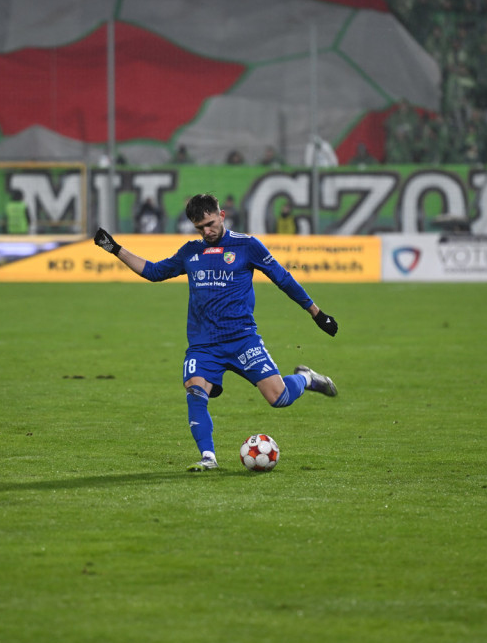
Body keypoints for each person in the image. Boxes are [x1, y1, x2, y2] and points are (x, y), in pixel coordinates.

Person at [93, 193, 339, 471]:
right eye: (200, 228)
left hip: (242, 340)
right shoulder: (190, 252)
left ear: (221, 216)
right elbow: (153, 271)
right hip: (204, 345)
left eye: (210, 224)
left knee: (278, 398)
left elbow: (283, 279)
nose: (206, 231)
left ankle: (305, 379)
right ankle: (208, 456)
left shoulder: (247, 246)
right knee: (195, 391)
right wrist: (115, 248)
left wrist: (317, 314)